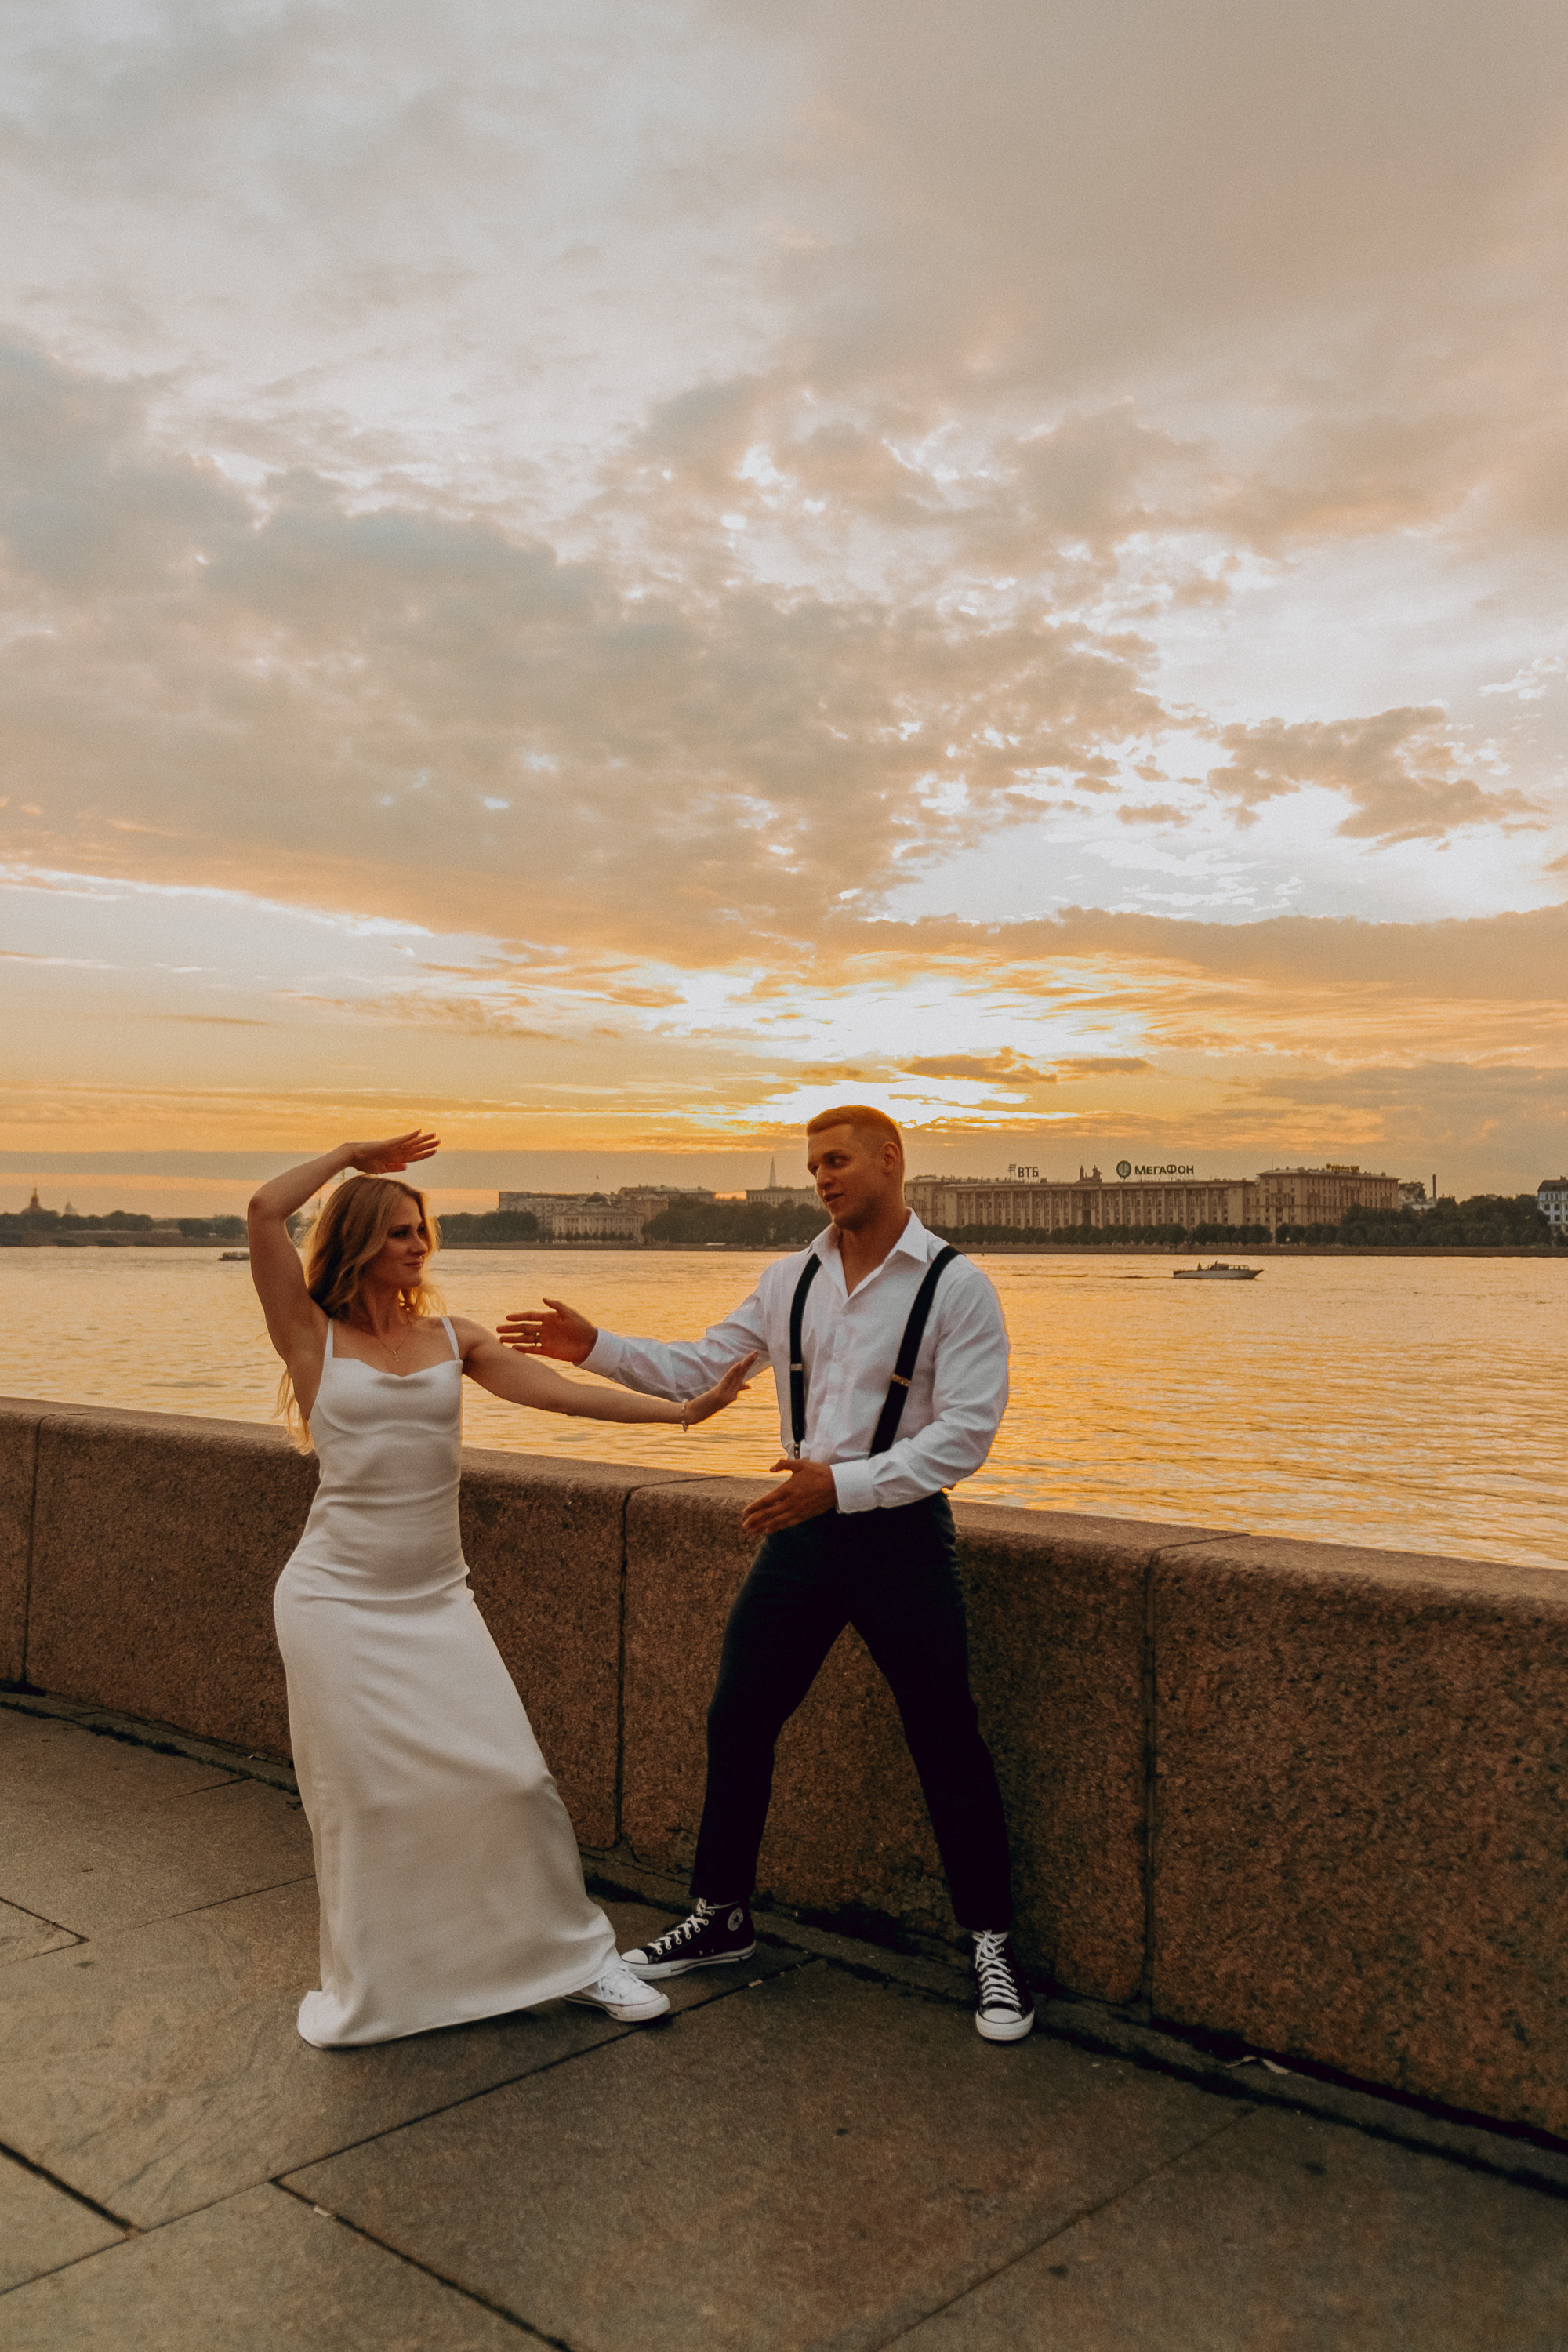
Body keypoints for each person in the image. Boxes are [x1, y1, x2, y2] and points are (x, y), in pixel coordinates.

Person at [499, 1105, 1033, 2042]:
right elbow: (700, 1365)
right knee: (738, 1716)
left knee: (944, 1736)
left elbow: (966, 1435)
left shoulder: (957, 1287)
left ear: (888, 1161)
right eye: (813, 1164)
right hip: (801, 1533)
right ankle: (721, 1915)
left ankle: (992, 1946)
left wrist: (845, 1486)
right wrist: (595, 1348)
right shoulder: (791, 1279)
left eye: (836, 1161)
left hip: (899, 1533)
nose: (823, 1178)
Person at [248, 1129, 753, 2049]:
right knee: (371, 1804)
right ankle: (394, 1982)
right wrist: (351, 1153)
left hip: (437, 1601)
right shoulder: (310, 1334)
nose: (417, 1247)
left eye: (420, 1231)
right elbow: (262, 1212)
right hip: (332, 1603)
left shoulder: (455, 1337)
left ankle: (577, 1958)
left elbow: (559, 1395)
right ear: (359, 1239)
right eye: (399, 1231)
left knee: (515, 1781)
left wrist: (681, 1413)